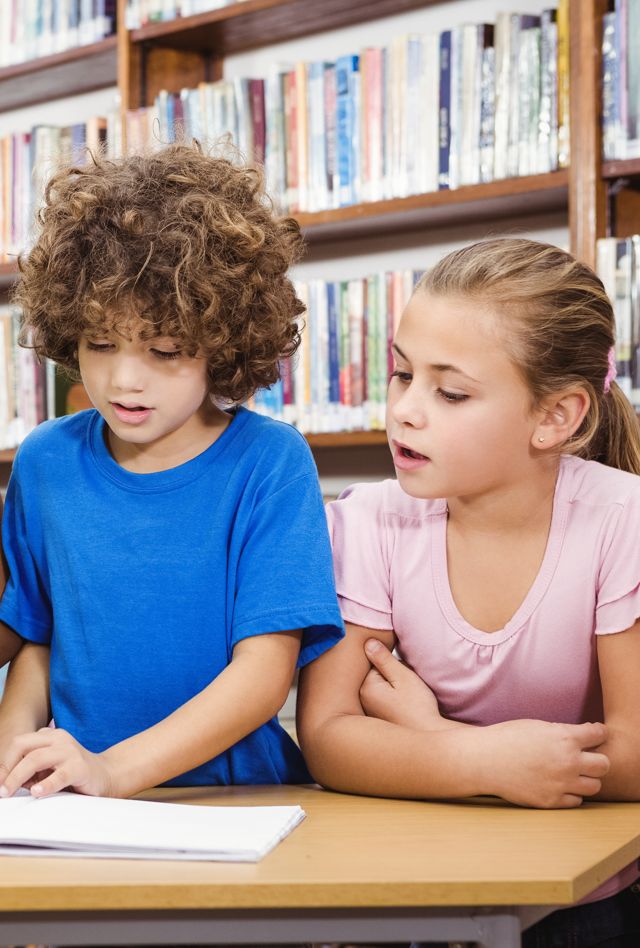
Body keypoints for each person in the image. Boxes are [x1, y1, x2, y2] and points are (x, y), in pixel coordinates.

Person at [297, 238, 640, 946]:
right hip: (416, 882)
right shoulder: (368, 520)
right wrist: (486, 761)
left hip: (588, 896)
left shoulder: (622, 522)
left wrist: (433, 738)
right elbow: (328, 738)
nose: (405, 411)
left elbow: (637, 752)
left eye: (450, 392)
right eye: (401, 375)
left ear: (555, 417)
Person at [0, 142, 343, 799]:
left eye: (164, 349)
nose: (125, 379)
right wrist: (15, 756)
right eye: (100, 344)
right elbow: (39, 645)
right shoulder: (45, 462)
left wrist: (115, 771)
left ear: (223, 343)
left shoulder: (270, 464)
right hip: (75, 801)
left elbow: (264, 675)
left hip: (235, 797)